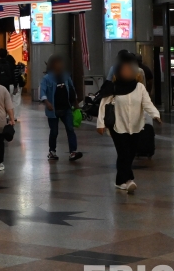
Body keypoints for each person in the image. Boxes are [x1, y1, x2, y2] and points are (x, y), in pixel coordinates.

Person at [97, 52, 161, 193]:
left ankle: (120, 181)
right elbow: (103, 105)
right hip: (118, 126)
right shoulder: (113, 87)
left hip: (136, 126)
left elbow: (147, 103)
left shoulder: (139, 88)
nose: (127, 72)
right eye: (124, 70)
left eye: (129, 69)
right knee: (123, 152)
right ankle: (128, 179)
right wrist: (100, 124)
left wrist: (156, 115)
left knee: (130, 153)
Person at [39, 55, 83, 161]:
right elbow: (42, 92)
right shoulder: (47, 78)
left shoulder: (66, 76)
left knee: (70, 129)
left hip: (66, 108)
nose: (60, 65)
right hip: (53, 110)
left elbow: (72, 89)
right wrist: (47, 103)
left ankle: (73, 152)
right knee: (54, 131)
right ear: (52, 65)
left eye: (61, 63)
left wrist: (75, 102)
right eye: (57, 63)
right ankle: (52, 151)